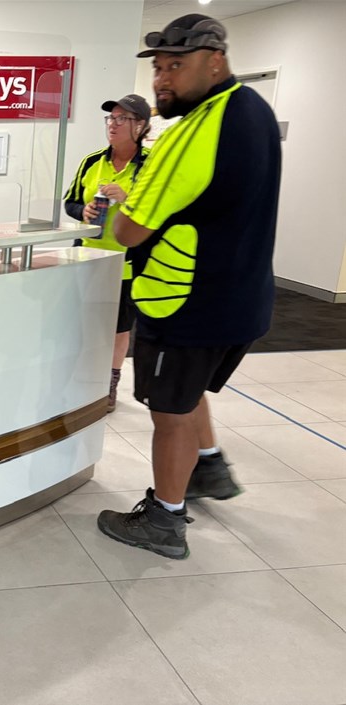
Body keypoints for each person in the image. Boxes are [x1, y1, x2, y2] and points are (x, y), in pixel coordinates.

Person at [96, 14, 281, 559]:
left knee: (168, 412)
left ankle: (164, 520)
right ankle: (209, 467)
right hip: (241, 297)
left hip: (185, 303)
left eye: (176, 65)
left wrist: (119, 207)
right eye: (158, 67)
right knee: (188, 387)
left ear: (216, 60)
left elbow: (129, 232)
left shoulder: (193, 135)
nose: (161, 79)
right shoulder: (252, 110)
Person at [64, 94, 151, 412]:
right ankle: (83, 379)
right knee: (83, 322)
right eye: (110, 119)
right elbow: (70, 202)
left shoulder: (151, 165)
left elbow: (161, 211)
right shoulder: (92, 161)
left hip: (127, 261)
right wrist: (82, 210)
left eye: (121, 119)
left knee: (118, 327)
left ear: (140, 126)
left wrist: (128, 198)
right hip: (87, 256)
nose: (112, 125)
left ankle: (110, 383)